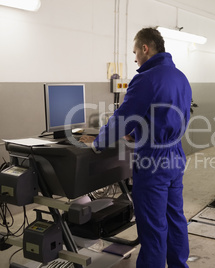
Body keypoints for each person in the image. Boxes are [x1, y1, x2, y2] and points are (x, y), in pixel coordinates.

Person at [80, 27, 192, 267]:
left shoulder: (146, 78)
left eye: (135, 52)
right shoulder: (180, 77)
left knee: (153, 226)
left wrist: (99, 142)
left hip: (153, 161)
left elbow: (123, 117)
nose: (134, 59)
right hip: (175, 156)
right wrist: (139, 133)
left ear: (145, 48)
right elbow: (170, 115)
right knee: (175, 220)